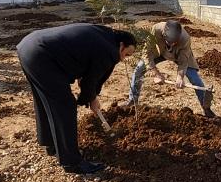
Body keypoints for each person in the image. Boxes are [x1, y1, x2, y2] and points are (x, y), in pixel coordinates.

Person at [17, 24, 137, 174]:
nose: (124, 59)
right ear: (121, 46)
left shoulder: (104, 34)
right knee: (65, 106)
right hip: (43, 55)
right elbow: (91, 81)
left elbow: (85, 59)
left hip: (29, 46)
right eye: (127, 54)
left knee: (45, 100)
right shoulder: (110, 51)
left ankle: (51, 144)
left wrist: (89, 91)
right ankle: (72, 162)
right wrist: (91, 98)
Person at [126, 20, 215, 118]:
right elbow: (147, 52)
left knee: (195, 79)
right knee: (139, 69)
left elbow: (183, 61)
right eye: (170, 42)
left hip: (178, 55)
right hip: (161, 52)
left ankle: (206, 109)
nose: (172, 44)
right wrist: (156, 73)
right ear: (164, 35)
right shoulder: (156, 29)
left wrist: (180, 77)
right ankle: (132, 101)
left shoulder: (185, 39)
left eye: (174, 42)